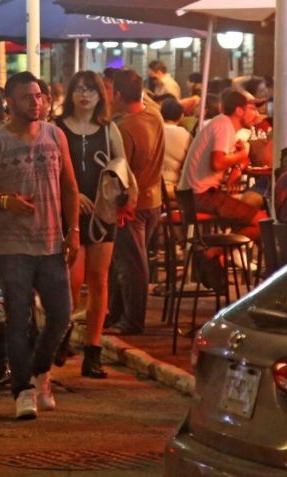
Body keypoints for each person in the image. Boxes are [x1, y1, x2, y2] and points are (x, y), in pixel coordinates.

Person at [0, 71, 80, 420]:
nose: (35, 102)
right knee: (19, 319)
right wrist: (5, 201)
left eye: (39, 96)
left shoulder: (55, 135)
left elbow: (69, 186)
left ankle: (39, 370)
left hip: (52, 242)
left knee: (61, 315)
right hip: (12, 246)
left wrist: (74, 230)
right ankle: (23, 389)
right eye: (27, 97)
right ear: (10, 102)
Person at [55, 71, 126, 378]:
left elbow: (121, 167)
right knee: (70, 280)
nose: (85, 95)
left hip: (102, 214)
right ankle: (62, 335)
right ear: (70, 94)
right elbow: (50, 169)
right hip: (66, 215)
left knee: (99, 280)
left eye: (91, 90)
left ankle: (93, 351)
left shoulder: (108, 129)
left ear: (100, 96)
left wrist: (113, 196)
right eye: (79, 89)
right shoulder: (56, 129)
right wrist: (72, 195)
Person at [105, 69, 165, 336]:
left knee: (131, 265)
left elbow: (121, 173)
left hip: (132, 206)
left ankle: (132, 321)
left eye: (109, 90)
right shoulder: (154, 114)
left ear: (117, 94)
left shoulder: (124, 129)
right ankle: (116, 313)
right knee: (129, 262)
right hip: (154, 201)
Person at [177, 89, 268, 242]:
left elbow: (227, 159)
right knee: (263, 221)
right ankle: (211, 253)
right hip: (202, 195)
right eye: (252, 109)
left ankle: (218, 257)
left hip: (196, 194)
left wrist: (237, 167)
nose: (257, 115)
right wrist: (243, 153)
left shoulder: (223, 124)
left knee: (249, 221)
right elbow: (218, 163)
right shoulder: (224, 125)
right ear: (239, 111)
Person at [161, 97, 192, 196]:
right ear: (181, 116)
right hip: (173, 186)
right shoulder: (185, 135)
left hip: (151, 184)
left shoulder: (153, 130)